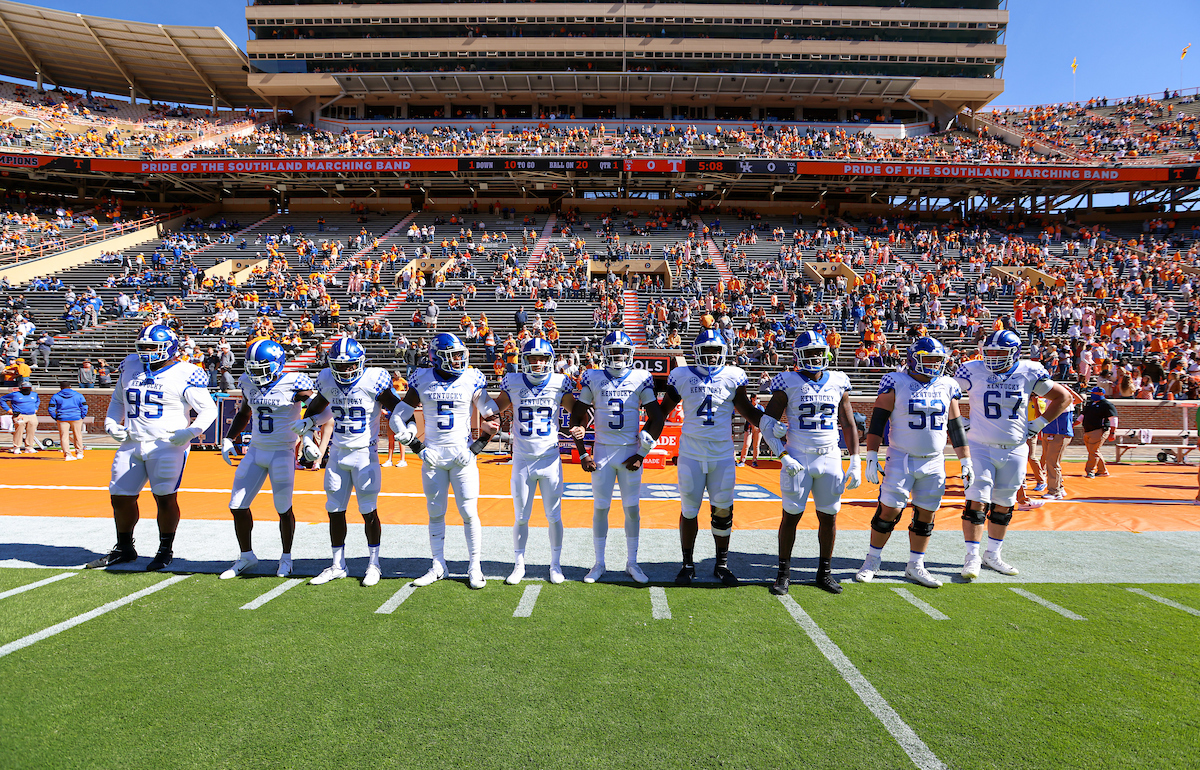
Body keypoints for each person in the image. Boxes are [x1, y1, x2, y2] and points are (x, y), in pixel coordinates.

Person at [87, 325, 217, 571]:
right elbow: (118, 399)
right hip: (132, 441)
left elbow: (208, 409)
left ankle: (165, 550)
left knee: (165, 497)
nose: (146, 352)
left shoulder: (187, 372)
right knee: (120, 496)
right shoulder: (130, 364)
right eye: (143, 346)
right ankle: (124, 547)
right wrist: (111, 422)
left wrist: (191, 431)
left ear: (170, 348)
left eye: (152, 347)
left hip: (167, 444)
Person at [953, 330, 1071, 579]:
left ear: (1015, 353)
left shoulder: (1029, 371)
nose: (993, 357)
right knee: (977, 500)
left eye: (999, 353)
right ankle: (972, 557)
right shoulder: (971, 369)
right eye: (990, 352)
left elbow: (1063, 397)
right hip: (979, 446)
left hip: (1016, 447)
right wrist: (959, 421)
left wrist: (1038, 424)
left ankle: (992, 554)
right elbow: (946, 394)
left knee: (1005, 502)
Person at [855, 337, 971, 588]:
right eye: (928, 358)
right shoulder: (896, 381)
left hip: (934, 461)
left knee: (926, 514)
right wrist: (871, 455)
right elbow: (877, 422)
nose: (934, 364)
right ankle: (872, 560)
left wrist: (966, 460)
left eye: (938, 360)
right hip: (901, 458)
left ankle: (915, 565)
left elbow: (955, 426)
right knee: (889, 511)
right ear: (913, 358)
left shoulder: (947, 385)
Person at [291, 337, 405, 586]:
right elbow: (312, 411)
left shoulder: (374, 380)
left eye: (350, 365)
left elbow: (399, 409)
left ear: (361, 362)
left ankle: (374, 563)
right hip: (338, 455)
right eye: (340, 366)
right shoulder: (327, 380)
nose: (345, 370)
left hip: (365, 454)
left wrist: (408, 429)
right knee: (334, 510)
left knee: (368, 511)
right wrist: (308, 437)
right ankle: (337, 564)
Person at [391, 332, 500, 589]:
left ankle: (475, 566)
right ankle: (438, 565)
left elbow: (493, 419)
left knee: (469, 512)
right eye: (453, 356)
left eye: (461, 355)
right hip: (432, 456)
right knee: (435, 513)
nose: (459, 360)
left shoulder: (472, 378)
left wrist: (476, 448)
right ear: (437, 358)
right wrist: (416, 446)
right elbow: (397, 416)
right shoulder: (422, 378)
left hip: (462, 457)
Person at [656, 329, 765, 586]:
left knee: (723, 509)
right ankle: (687, 564)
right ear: (696, 353)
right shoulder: (681, 375)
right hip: (692, 453)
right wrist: (645, 439)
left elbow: (747, 410)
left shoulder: (733, 375)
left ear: (724, 353)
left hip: (723, 454)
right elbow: (663, 411)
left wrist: (769, 425)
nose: (712, 355)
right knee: (689, 509)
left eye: (716, 351)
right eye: (707, 351)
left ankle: (722, 564)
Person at [760, 331, 861, 595]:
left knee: (829, 516)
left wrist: (856, 458)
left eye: (819, 352)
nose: (816, 357)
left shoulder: (839, 381)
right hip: (799, 456)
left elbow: (848, 423)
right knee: (791, 515)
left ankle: (824, 573)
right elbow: (766, 423)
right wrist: (782, 454)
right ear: (798, 355)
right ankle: (783, 573)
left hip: (830, 455)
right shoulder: (789, 381)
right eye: (810, 352)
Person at [569, 330, 663, 585]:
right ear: (604, 354)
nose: (619, 356)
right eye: (614, 352)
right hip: (601, 452)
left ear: (630, 354)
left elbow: (657, 417)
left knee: (632, 508)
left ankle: (632, 562)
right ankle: (599, 562)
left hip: (629, 452)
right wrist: (583, 453)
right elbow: (576, 417)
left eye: (623, 351)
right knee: (601, 508)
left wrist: (642, 454)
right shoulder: (594, 377)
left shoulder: (641, 378)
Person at [219, 339, 315, 579]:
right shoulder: (247, 382)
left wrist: (309, 434)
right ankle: (246, 556)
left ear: (277, 364)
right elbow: (244, 412)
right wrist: (229, 438)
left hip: (282, 452)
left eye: (262, 367)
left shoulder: (295, 381)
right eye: (252, 367)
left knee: (283, 508)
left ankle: (286, 557)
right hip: (255, 450)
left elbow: (318, 408)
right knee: (237, 505)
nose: (256, 372)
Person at [493, 338, 579, 584]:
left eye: (542, 358)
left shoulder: (560, 381)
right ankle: (519, 564)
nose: (538, 363)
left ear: (549, 360)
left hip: (550, 458)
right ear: (525, 359)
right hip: (522, 458)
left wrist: (581, 424)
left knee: (554, 515)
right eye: (533, 358)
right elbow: (495, 407)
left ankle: (555, 564)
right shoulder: (513, 381)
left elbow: (576, 411)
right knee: (521, 516)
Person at [1040, 389, 1082, 500]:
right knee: (1050, 462)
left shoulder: (1063, 401)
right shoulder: (1050, 401)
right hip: (1051, 433)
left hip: (1059, 434)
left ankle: (1055, 491)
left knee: (1052, 463)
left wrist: (1068, 390)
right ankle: (1059, 487)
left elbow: (1079, 400)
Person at [1079, 386, 1118, 479]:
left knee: (1093, 451)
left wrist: (1113, 432)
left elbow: (1113, 419)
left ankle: (1090, 471)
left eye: (1094, 393)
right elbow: (1082, 416)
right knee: (1094, 451)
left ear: (1100, 394)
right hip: (1088, 430)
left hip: (1099, 430)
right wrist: (1073, 425)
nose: (1091, 395)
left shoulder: (1106, 404)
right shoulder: (1089, 404)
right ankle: (1102, 471)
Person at [48, 380, 87, 460]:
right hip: (76, 417)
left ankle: (67, 454)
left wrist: (56, 417)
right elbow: (84, 406)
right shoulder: (78, 395)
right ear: (70, 386)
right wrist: (82, 416)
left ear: (61, 387)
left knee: (64, 437)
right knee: (78, 435)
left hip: (62, 418)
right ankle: (79, 453)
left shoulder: (56, 396)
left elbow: (51, 408)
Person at [1, 378, 40, 454]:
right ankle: (17, 447)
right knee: (19, 431)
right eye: (25, 389)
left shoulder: (34, 394)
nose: (27, 390)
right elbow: (2, 399)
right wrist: (8, 410)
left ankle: (29, 447)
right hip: (19, 415)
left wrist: (36, 408)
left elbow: (38, 401)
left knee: (31, 431)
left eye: (28, 388)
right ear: (21, 388)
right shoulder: (15, 394)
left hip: (32, 415)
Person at [382, 371, 408, 468]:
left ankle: (403, 460)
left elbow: (397, 409)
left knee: (401, 440)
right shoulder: (385, 393)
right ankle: (389, 460)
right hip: (390, 419)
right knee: (390, 440)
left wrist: (387, 412)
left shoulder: (393, 394)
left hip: (397, 420)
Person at [736, 393, 763, 467]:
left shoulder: (760, 407)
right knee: (746, 444)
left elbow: (763, 417)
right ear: (752, 399)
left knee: (756, 445)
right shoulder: (749, 407)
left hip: (758, 428)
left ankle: (755, 461)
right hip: (749, 427)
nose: (758, 400)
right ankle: (742, 460)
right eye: (756, 398)